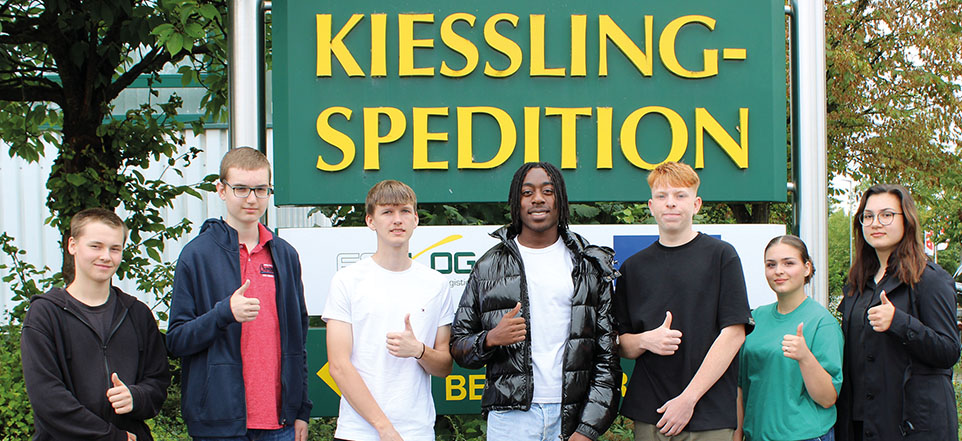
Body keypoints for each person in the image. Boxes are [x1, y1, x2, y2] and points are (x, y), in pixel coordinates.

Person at [451, 161, 621, 441]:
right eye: (527, 192)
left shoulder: (589, 264)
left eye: (548, 191)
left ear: (560, 199)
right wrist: (490, 339)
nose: (538, 199)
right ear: (516, 202)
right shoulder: (488, 266)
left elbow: (607, 356)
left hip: (571, 416)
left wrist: (588, 429)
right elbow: (459, 347)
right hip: (510, 418)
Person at [167, 147, 312, 440]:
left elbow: (298, 342)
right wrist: (223, 314)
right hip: (219, 423)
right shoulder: (197, 255)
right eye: (241, 189)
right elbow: (177, 340)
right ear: (221, 190)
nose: (251, 199)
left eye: (261, 189)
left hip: (280, 424)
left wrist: (301, 410)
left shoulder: (285, 255)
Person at [615, 161, 752, 440]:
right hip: (651, 414)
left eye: (680, 195)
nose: (671, 203)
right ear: (651, 206)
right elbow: (620, 343)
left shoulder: (721, 256)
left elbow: (734, 334)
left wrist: (688, 399)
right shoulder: (633, 268)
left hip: (708, 414)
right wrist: (646, 340)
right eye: (662, 196)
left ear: (696, 204)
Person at [21, 208, 170, 440]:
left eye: (115, 248)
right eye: (96, 246)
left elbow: (158, 382)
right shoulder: (45, 315)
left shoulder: (137, 314)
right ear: (72, 245)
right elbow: (48, 399)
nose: (106, 256)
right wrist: (111, 437)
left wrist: (136, 397)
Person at [322, 180, 454, 441]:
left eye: (405, 211)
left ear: (415, 219)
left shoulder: (436, 284)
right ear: (370, 221)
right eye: (387, 212)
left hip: (416, 432)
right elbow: (338, 366)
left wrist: (418, 350)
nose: (397, 220)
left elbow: (444, 367)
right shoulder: (347, 280)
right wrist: (384, 428)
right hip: (358, 433)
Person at [836, 184, 960, 441]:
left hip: (912, 425)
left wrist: (900, 322)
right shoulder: (858, 284)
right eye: (868, 216)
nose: (875, 223)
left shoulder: (929, 279)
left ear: (907, 220)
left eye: (887, 215)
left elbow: (949, 351)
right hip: (864, 423)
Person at [735, 235, 843, 441]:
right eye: (771, 264)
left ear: (807, 268)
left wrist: (805, 357)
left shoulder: (822, 323)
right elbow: (740, 386)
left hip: (805, 436)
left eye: (788, 263)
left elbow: (827, 398)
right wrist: (737, 434)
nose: (778, 271)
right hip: (756, 435)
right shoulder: (755, 318)